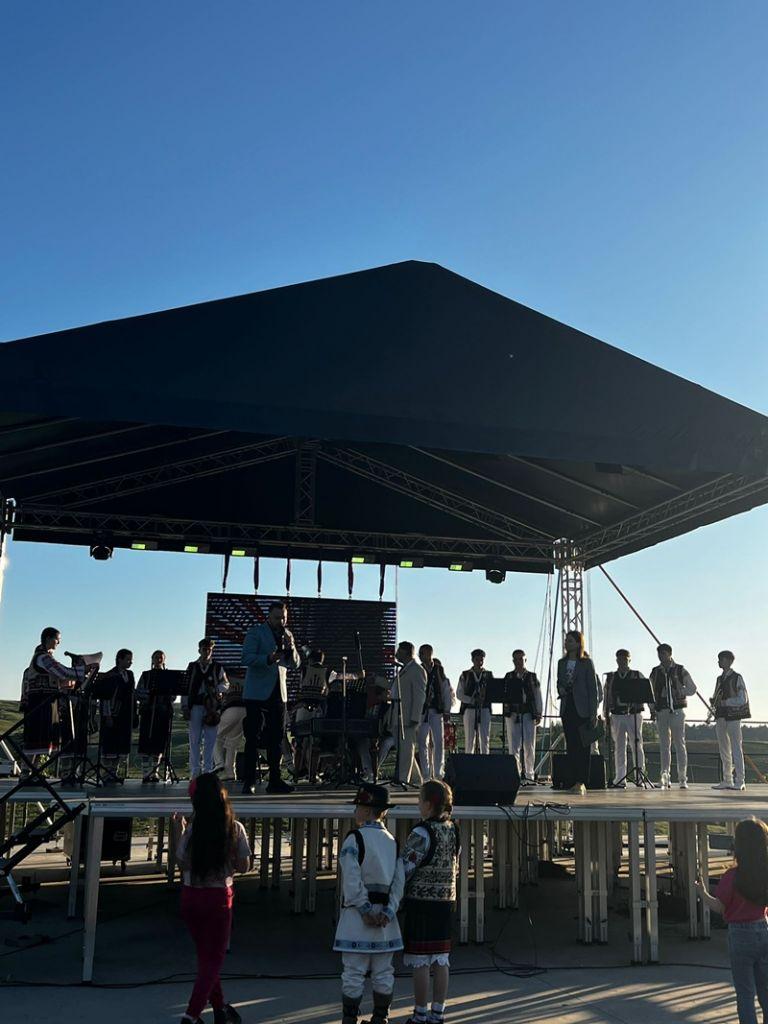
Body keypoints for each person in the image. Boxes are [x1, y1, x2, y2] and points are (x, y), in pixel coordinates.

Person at [174, 773, 250, 1024]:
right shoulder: (234, 828)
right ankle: (191, 1014)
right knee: (213, 960)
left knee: (205, 956)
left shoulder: (193, 829)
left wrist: (179, 831)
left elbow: (181, 862)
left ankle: (219, 1008)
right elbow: (244, 866)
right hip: (218, 898)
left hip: (191, 896)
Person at [333, 783, 404, 1024]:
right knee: (383, 972)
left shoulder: (354, 839)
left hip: (357, 918)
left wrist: (364, 909)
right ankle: (380, 1018)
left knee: (353, 972)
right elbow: (398, 882)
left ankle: (350, 1018)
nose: (355, 811)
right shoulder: (392, 842)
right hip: (385, 921)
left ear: (366, 810)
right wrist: (389, 911)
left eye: (358, 806)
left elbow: (352, 879)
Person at [695, 818, 768, 1024]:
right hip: (763, 929)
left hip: (740, 934)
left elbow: (719, 906)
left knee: (745, 993)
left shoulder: (732, 876)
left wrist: (702, 892)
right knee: (765, 990)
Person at [401, 779, 460, 1024]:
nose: (418, 805)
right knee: (441, 958)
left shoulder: (421, 832)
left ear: (427, 804)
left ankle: (419, 1013)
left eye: (419, 800)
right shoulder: (453, 828)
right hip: (446, 899)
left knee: (421, 960)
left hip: (422, 901)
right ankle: (438, 1013)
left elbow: (406, 867)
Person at [240, 601, 300, 795]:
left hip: (278, 693)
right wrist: (268, 658)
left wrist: (291, 648)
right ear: (268, 616)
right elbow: (246, 658)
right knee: (253, 737)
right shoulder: (256, 633)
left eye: (283, 618)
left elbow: (296, 664)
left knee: (277, 738)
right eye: (277, 618)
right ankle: (249, 780)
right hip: (256, 693)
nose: (281, 621)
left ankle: (275, 780)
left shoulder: (288, 634)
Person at [19, 627, 81, 767]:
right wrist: (81, 671)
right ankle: (26, 773)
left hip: (47, 702)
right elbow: (62, 671)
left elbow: (59, 677)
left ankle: (34, 771)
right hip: (39, 702)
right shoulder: (43, 657)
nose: (59, 642)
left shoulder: (44, 656)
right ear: (48, 638)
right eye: (57, 639)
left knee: (41, 740)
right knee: (35, 739)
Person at [556, 631, 601, 796]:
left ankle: (581, 781)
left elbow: (593, 689)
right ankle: (572, 779)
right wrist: (561, 689)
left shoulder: (586, 663)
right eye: (566, 640)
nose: (566, 643)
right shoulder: (561, 663)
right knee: (571, 745)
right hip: (567, 706)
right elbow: (559, 681)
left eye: (570, 641)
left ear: (578, 643)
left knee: (583, 746)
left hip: (583, 709)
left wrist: (593, 712)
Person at [649, 643, 696, 790]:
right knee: (664, 745)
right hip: (661, 710)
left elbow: (692, 689)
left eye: (663, 654)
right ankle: (665, 777)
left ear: (669, 654)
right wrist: (652, 709)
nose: (660, 657)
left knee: (680, 744)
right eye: (659, 654)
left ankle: (682, 778)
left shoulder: (680, 670)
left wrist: (680, 691)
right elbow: (650, 692)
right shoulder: (655, 672)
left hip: (677, 710)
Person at [183, 639, 229, 780]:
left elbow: (226, 684)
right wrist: (185, 706)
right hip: (195, 705)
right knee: (194, 739)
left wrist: (217, 689)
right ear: (199, 650)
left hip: (212, 707)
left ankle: (208, 770)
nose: (207, 651)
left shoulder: (217, 667)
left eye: (209, 649)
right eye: (204, 649)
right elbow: (185, 687)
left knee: (210, 740)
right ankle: (195, 771)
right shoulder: (192, 667)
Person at [603, 649, 648, 788]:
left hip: (634, 714)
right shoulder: (611, 677)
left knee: (637, 744)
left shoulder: (637, 675)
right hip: (617, 714)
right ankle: (620, 778)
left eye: (625, 659)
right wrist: (605, 714)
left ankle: (639, 776)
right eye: (620, 659)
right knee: (619, 746)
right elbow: (606, 696)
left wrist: (652, 710)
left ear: (629, 660)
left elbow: (646, 691)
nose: (622, 661)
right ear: (616, 660)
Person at [711, 651, 751, 791]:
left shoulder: (737, 678)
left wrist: (725, 702)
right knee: (724, 749)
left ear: (728, 661)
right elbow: (717, 696)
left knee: (736, 748)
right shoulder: (719, 679)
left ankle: (740, 780)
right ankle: (727, 779)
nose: (718, 662)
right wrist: (715, 702)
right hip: (721, 716)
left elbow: (742, 699)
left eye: (721, 659)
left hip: (733, 717)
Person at [502, 649, 542, 785]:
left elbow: (537, 695)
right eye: (516, 659)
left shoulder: (532, 677)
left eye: (521, 659)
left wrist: (539, 712)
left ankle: (529, 774)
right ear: (513, 661)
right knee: (513, 746)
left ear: (525, 660)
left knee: (529, 745)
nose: (519, 662)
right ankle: (515, 773)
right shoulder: (509, 676)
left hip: (528, 713)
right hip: (513, 713)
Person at [136, 649, 175, 783]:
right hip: (148, 712)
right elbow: (138, 692)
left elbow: (173, 695)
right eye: (156, 657)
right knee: (146, 742)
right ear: (152, 659)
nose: (158, 659)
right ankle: (145, 773)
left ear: (164, 660)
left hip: (162, 713)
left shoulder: (168, 676)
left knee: (159, 743)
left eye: (161, 657)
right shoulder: (146, 675)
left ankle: (155, 772)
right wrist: (149, 695)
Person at [99, 649, 136, 783]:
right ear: (120, 659)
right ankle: (106, 773)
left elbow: (132, 694)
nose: (130, 662)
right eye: (128, 659)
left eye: (131, 660)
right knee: (110, 743)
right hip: (113, 713)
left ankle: (113, 772)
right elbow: (106, 697)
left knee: (120, 744)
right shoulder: (110, 675)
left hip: (125, 714)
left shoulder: (130, 674)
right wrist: (107, 715)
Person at [418, 645, 453, 780]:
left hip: (436, 710)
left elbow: (445, 689)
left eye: (423, 653)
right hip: (422, 711)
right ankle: (426, 774)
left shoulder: (439, 669)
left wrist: (447, 710)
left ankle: (438, 773)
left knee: (439, 741)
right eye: (420, 653)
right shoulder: (419, 669)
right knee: (423, 742)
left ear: (430, 654)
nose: (421, 655)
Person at [394, 641, 427, 785]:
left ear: (406, 652)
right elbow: (395, 688)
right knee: (404, 750)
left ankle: (403, 780)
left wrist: (415, 717)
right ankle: (416, 779)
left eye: (399, 651)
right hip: (397, 715)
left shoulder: (417, 670)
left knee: (407, 749)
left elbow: (420, 696)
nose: (396, 654)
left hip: (408, 717)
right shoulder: (403, 669)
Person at [456, 650, 494, 755]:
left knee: (485, 738)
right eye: (477, 659)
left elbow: (493, 691)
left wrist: (484, 697)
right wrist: (471, 700)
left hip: (485, 708)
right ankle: (469, 761)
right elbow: (459, 693)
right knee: (469, 739)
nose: (479, 662)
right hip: (469, 709)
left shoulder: (488, 674)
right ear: (472, 660)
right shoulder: (465, 675)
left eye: (481, 659)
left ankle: (485, 761)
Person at [214, 669, 247, 782]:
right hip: (245, 709)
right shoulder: (246, 676)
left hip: (231, 708)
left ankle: (219, 764)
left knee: (215, 736)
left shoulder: (227, 677)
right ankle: (230, 772)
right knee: (232, 743)